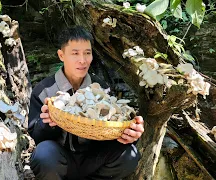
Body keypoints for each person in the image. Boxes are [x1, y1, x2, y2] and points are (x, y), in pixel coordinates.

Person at [28, 26, 144, 180]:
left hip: (94, 158)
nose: (82, 60)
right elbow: (36, 137)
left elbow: (112, 126)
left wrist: (130, 133)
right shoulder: (43, 91)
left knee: (130, 155)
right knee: (44, 154)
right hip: (59, 160)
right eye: (75, 53)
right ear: (61, 55)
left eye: (87, 53)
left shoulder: (101, 88)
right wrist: (47, 123)